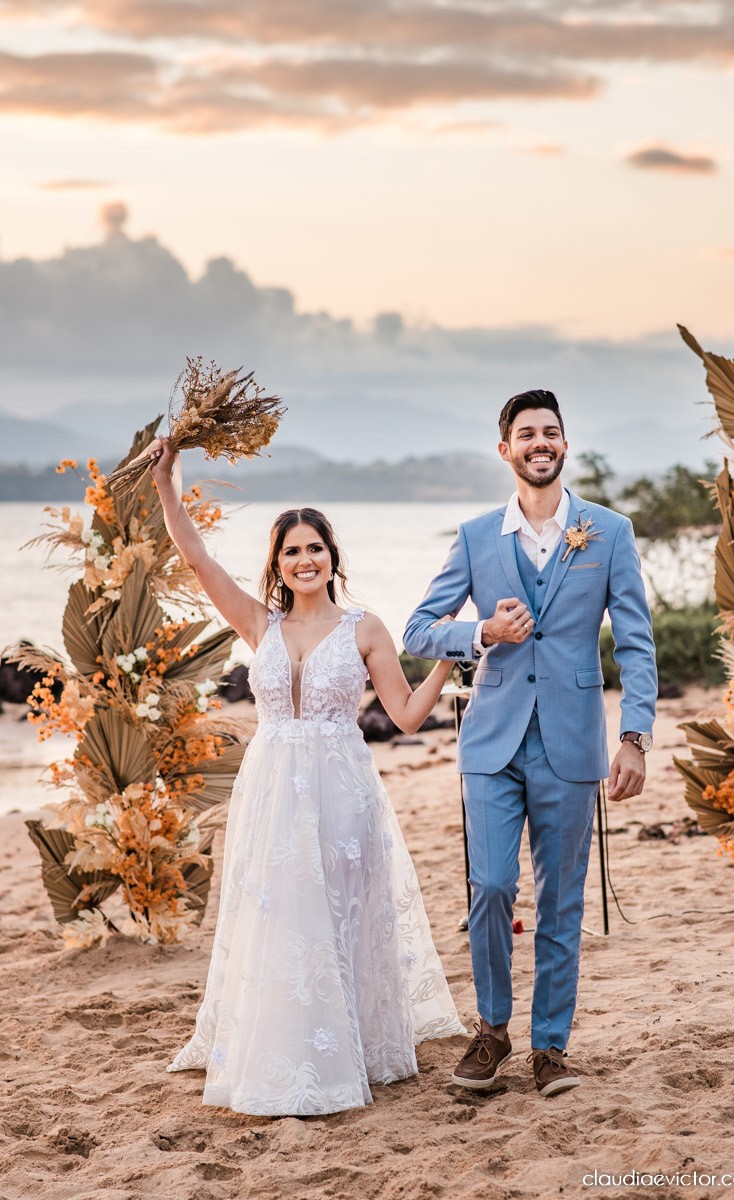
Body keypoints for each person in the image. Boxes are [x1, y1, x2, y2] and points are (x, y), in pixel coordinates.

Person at [147, 436, 464, 1117]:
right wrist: (168, 481)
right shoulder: (259, 623)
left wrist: (452, 660)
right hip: (269, 788)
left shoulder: (364, 628)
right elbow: (195, 557)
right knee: (278, 911)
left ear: (332, 557)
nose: (303, 559)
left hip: (340, 787)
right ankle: (281, 1049)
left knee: (338, 913)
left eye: (314, 548)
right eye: (290, 551)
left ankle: (346, 1046)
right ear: (277, 564)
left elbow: (406, 716)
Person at [404, 390, 657, 1097]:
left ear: (564, 445)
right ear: (505, 449)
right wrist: (479, 633)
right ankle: (490, 1030)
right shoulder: (477, 536)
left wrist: (634, 736)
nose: (538, 442)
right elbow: (418, 629)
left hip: (573, 744)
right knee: (488, 887)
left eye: (550, 432)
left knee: (561, 901)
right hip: (491, 741)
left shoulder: (607, 532)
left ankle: (550, 1047)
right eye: (525, 433)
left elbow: (635, 643)